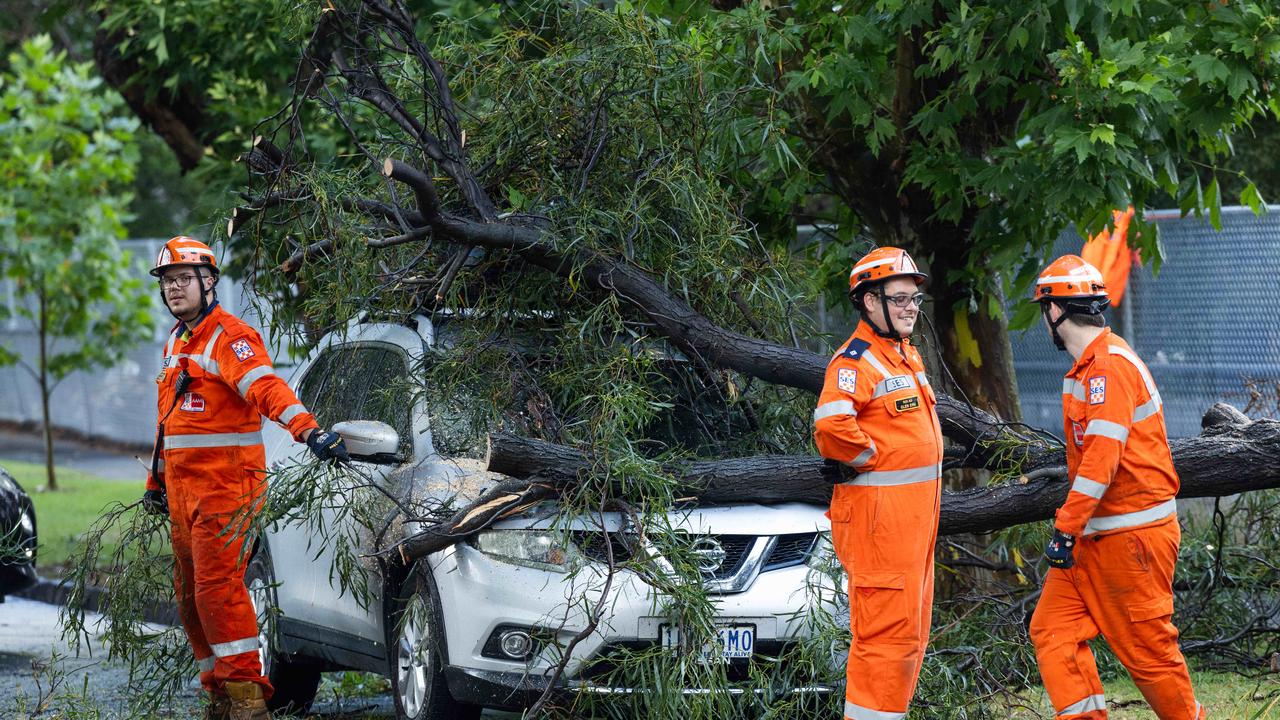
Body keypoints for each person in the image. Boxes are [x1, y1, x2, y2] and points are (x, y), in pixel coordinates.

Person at [142, 236, 350, 720]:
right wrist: (156, 482)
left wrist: (309, 431)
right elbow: (169, 420)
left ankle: (247, 700)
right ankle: (219, 692)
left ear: (208, 282)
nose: (175, 289)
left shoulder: (230, 337)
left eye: (183, 280)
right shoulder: (177, 341)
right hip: (183, 492)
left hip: (227, 491)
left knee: (218, 591)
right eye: (168, 282)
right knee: (191, 596)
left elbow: (266, 388)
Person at [1028, 254, 1204, 720]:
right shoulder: (1088, 369)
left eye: (1043, 310)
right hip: (1094, 537)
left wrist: (1065, 527)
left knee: (1148, 655)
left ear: (1054, 311)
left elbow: (1101, 463)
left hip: (1130, 540)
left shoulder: (1108, 368)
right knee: (1053, 629)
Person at [812, 246, 944, 720]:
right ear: (871, 302)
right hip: (879, 528)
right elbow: (831, 427)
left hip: (908, 528)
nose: (911, 307)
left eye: (914, 298)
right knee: (885, 642)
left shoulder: (905, 357)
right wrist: (868, 458)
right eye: (901, 297)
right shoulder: (856, 362)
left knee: (907, 640)